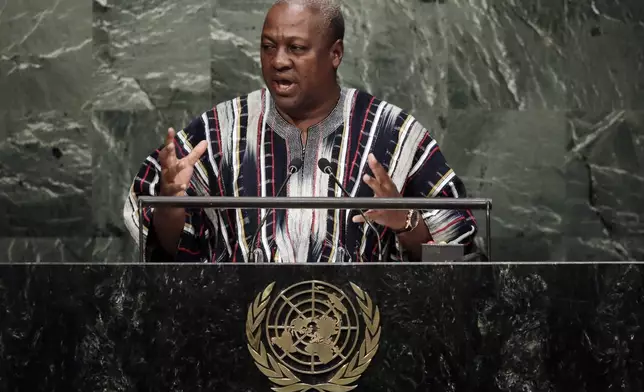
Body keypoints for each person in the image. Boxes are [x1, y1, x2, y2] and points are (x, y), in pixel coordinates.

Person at [123, 0, 478, 263]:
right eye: (268, 47)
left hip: (365, 340)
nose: (278, 61)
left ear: (335, 53)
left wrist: (405, 220)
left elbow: (454, 253)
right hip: (237, 338)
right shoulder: (219, 130)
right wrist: (169, 200)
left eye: (296, 48)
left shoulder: (391, 133)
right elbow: (167, 251)